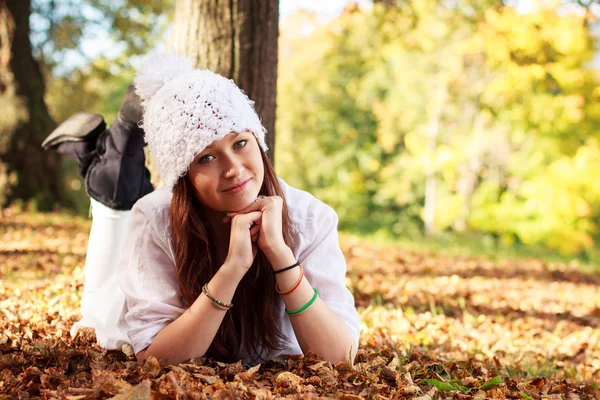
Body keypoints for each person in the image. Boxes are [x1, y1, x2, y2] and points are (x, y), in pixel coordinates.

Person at [43, 53, 360, 367]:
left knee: (123, 208)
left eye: (240, 143)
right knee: (99, 302)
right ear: (183, 176)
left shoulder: (310, 218)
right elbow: (155, 356)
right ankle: (109, 161)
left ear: (258, 141)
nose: (234, 169)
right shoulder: (156, 217)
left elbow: (340, 357)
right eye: (206, 158)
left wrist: (280, 254)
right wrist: (232, 269)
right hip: (153, 232)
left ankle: (113, 160)